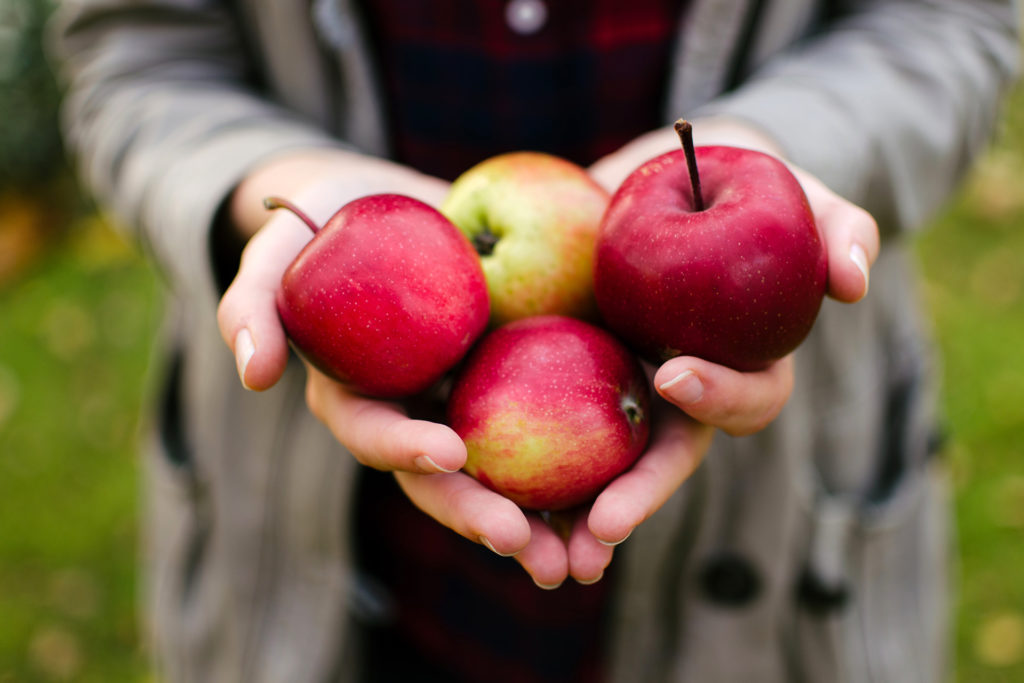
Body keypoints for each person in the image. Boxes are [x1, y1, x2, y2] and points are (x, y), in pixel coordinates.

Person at [50, 1, 1019, 681]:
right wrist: (265, 182)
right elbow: (135, 50)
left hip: (777, 540)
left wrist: (770, 142)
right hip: (329, 556)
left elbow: (949, 20)